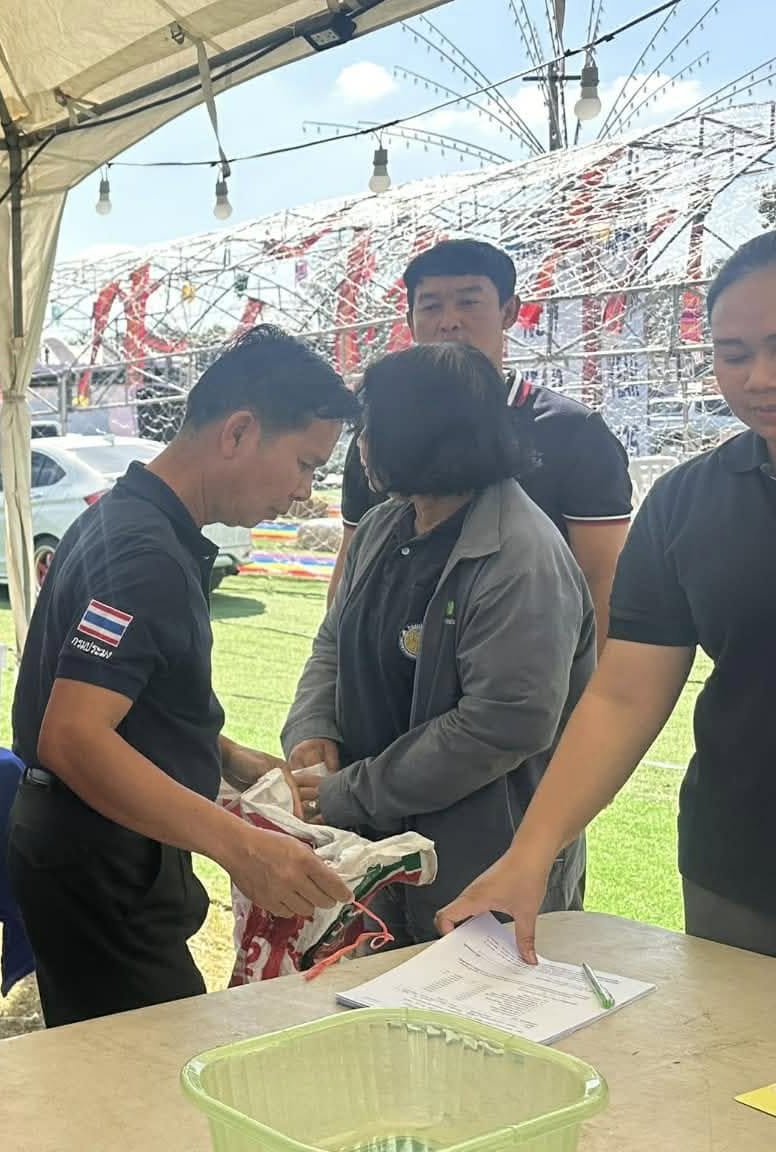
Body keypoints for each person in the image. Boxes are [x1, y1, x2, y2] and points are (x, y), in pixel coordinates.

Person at [441, 231, 776, 961]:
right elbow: (625, 694)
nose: (759, 378)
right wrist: (532, 851)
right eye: (734, 354)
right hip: (740, 870)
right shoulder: (688, 501)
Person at [9, 325, 357, 1027]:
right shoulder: (145, 554)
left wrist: (222, 754)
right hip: (101, 853)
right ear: (238, 432)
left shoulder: (127, 519)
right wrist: (243, 848)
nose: (303, 492)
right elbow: (72, 736)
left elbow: (118, 691)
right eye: (303, 464)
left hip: (90, 843)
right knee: (152, 1068)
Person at [281, 343, 594, 946]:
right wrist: (312, 728)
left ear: (419, 431)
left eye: (370, 429)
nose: (360, 447)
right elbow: (333, 641)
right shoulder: (383, 526)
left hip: (480, 867)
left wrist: (352, 792)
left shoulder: (520, 557)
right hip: (376, 849)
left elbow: (500, 726)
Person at [329, 240, 633, 637]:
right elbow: (352, 562)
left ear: (509, 311)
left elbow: (601, 576)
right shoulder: (380, 432)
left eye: (469, 302)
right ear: (410, 321)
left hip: (523, 654)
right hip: (391, 660)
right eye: (431, 306)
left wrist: (587, 676)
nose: (449, 322)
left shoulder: (573, 431)